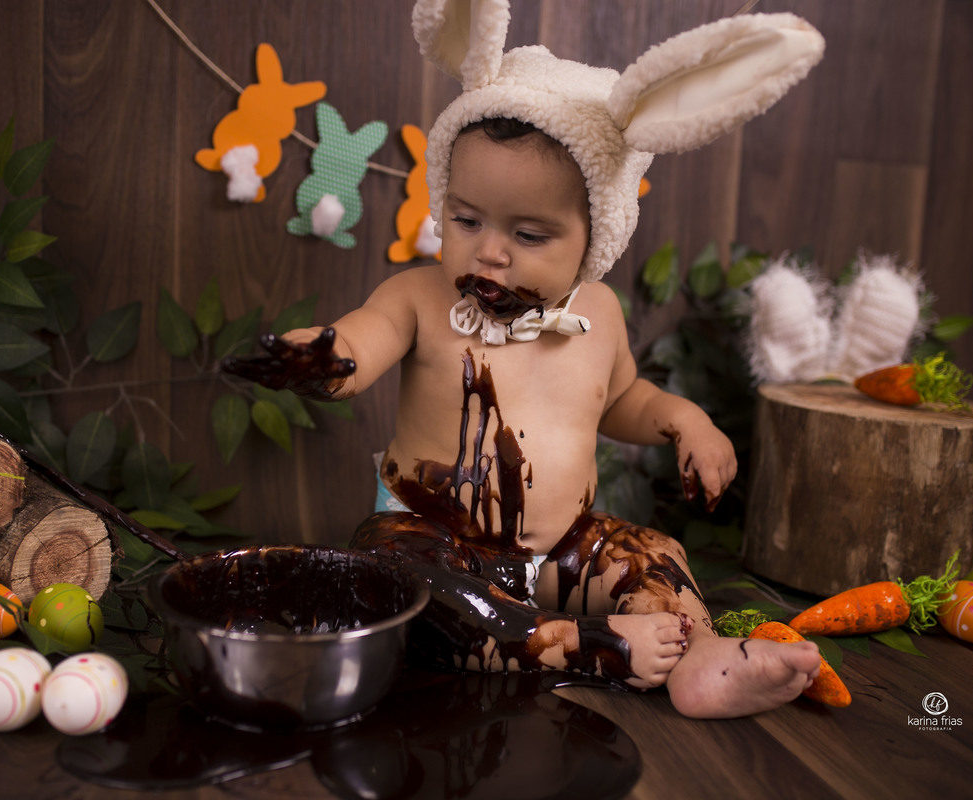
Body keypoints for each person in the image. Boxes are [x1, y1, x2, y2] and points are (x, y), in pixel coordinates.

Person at [224, 1, 827, 718]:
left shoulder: (597, 313)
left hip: (564, 552)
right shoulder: (418, 296)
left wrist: (682, 419)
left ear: (594, 238)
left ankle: (696, 657)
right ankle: (593, 645)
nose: (491, 251)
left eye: (531, 234)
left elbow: (623, 400)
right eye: (467, 219)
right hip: (435, 539)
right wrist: (320, 357)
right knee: (396, 583)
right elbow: (362, 341)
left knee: (652, 553)